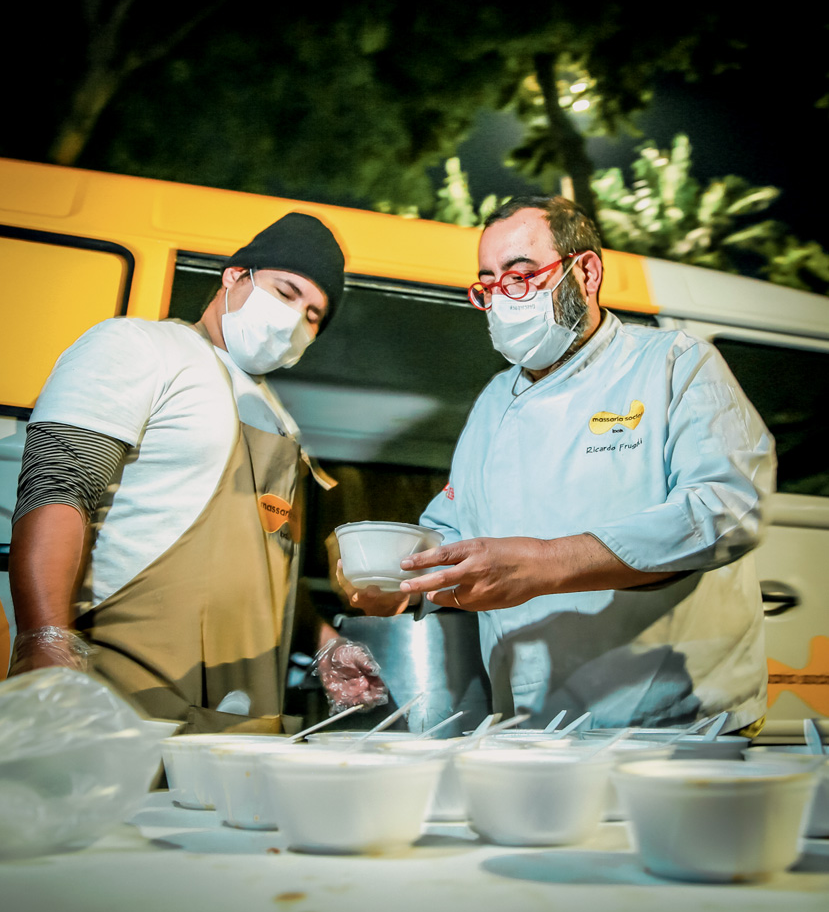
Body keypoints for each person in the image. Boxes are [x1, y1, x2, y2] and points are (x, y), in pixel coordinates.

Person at [344, 195, 775, 733]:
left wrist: (549, 562)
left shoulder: (672, 363)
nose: (504, 298)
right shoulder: (495, 402)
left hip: (675, 720)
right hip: (532, 728)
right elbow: (452, 527)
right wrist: (389, 573)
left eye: (521, 276)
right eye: (490, 283)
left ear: (586, 271)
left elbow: (728, 507)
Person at [9, 212, 348, 732]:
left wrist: (323, 642)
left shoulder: (282, 422)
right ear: (235, 277)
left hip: (242, 718)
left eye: (312, 315)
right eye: (285, 292)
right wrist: (44, 638)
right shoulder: (140, 347)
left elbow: (266, 564)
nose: (295, 319)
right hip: (118, 695)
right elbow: (58, 486)